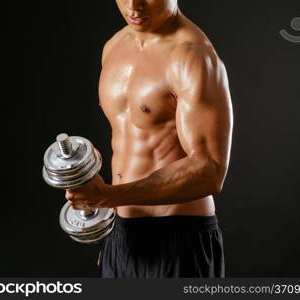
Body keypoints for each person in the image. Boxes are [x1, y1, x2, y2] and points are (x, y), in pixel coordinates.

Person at [65, 0, 233, 278]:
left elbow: (209, 170)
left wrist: (107, 197)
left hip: (179, 240)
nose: (134, 5)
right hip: (121, 237)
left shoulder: (192, 56)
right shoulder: (114, 46)